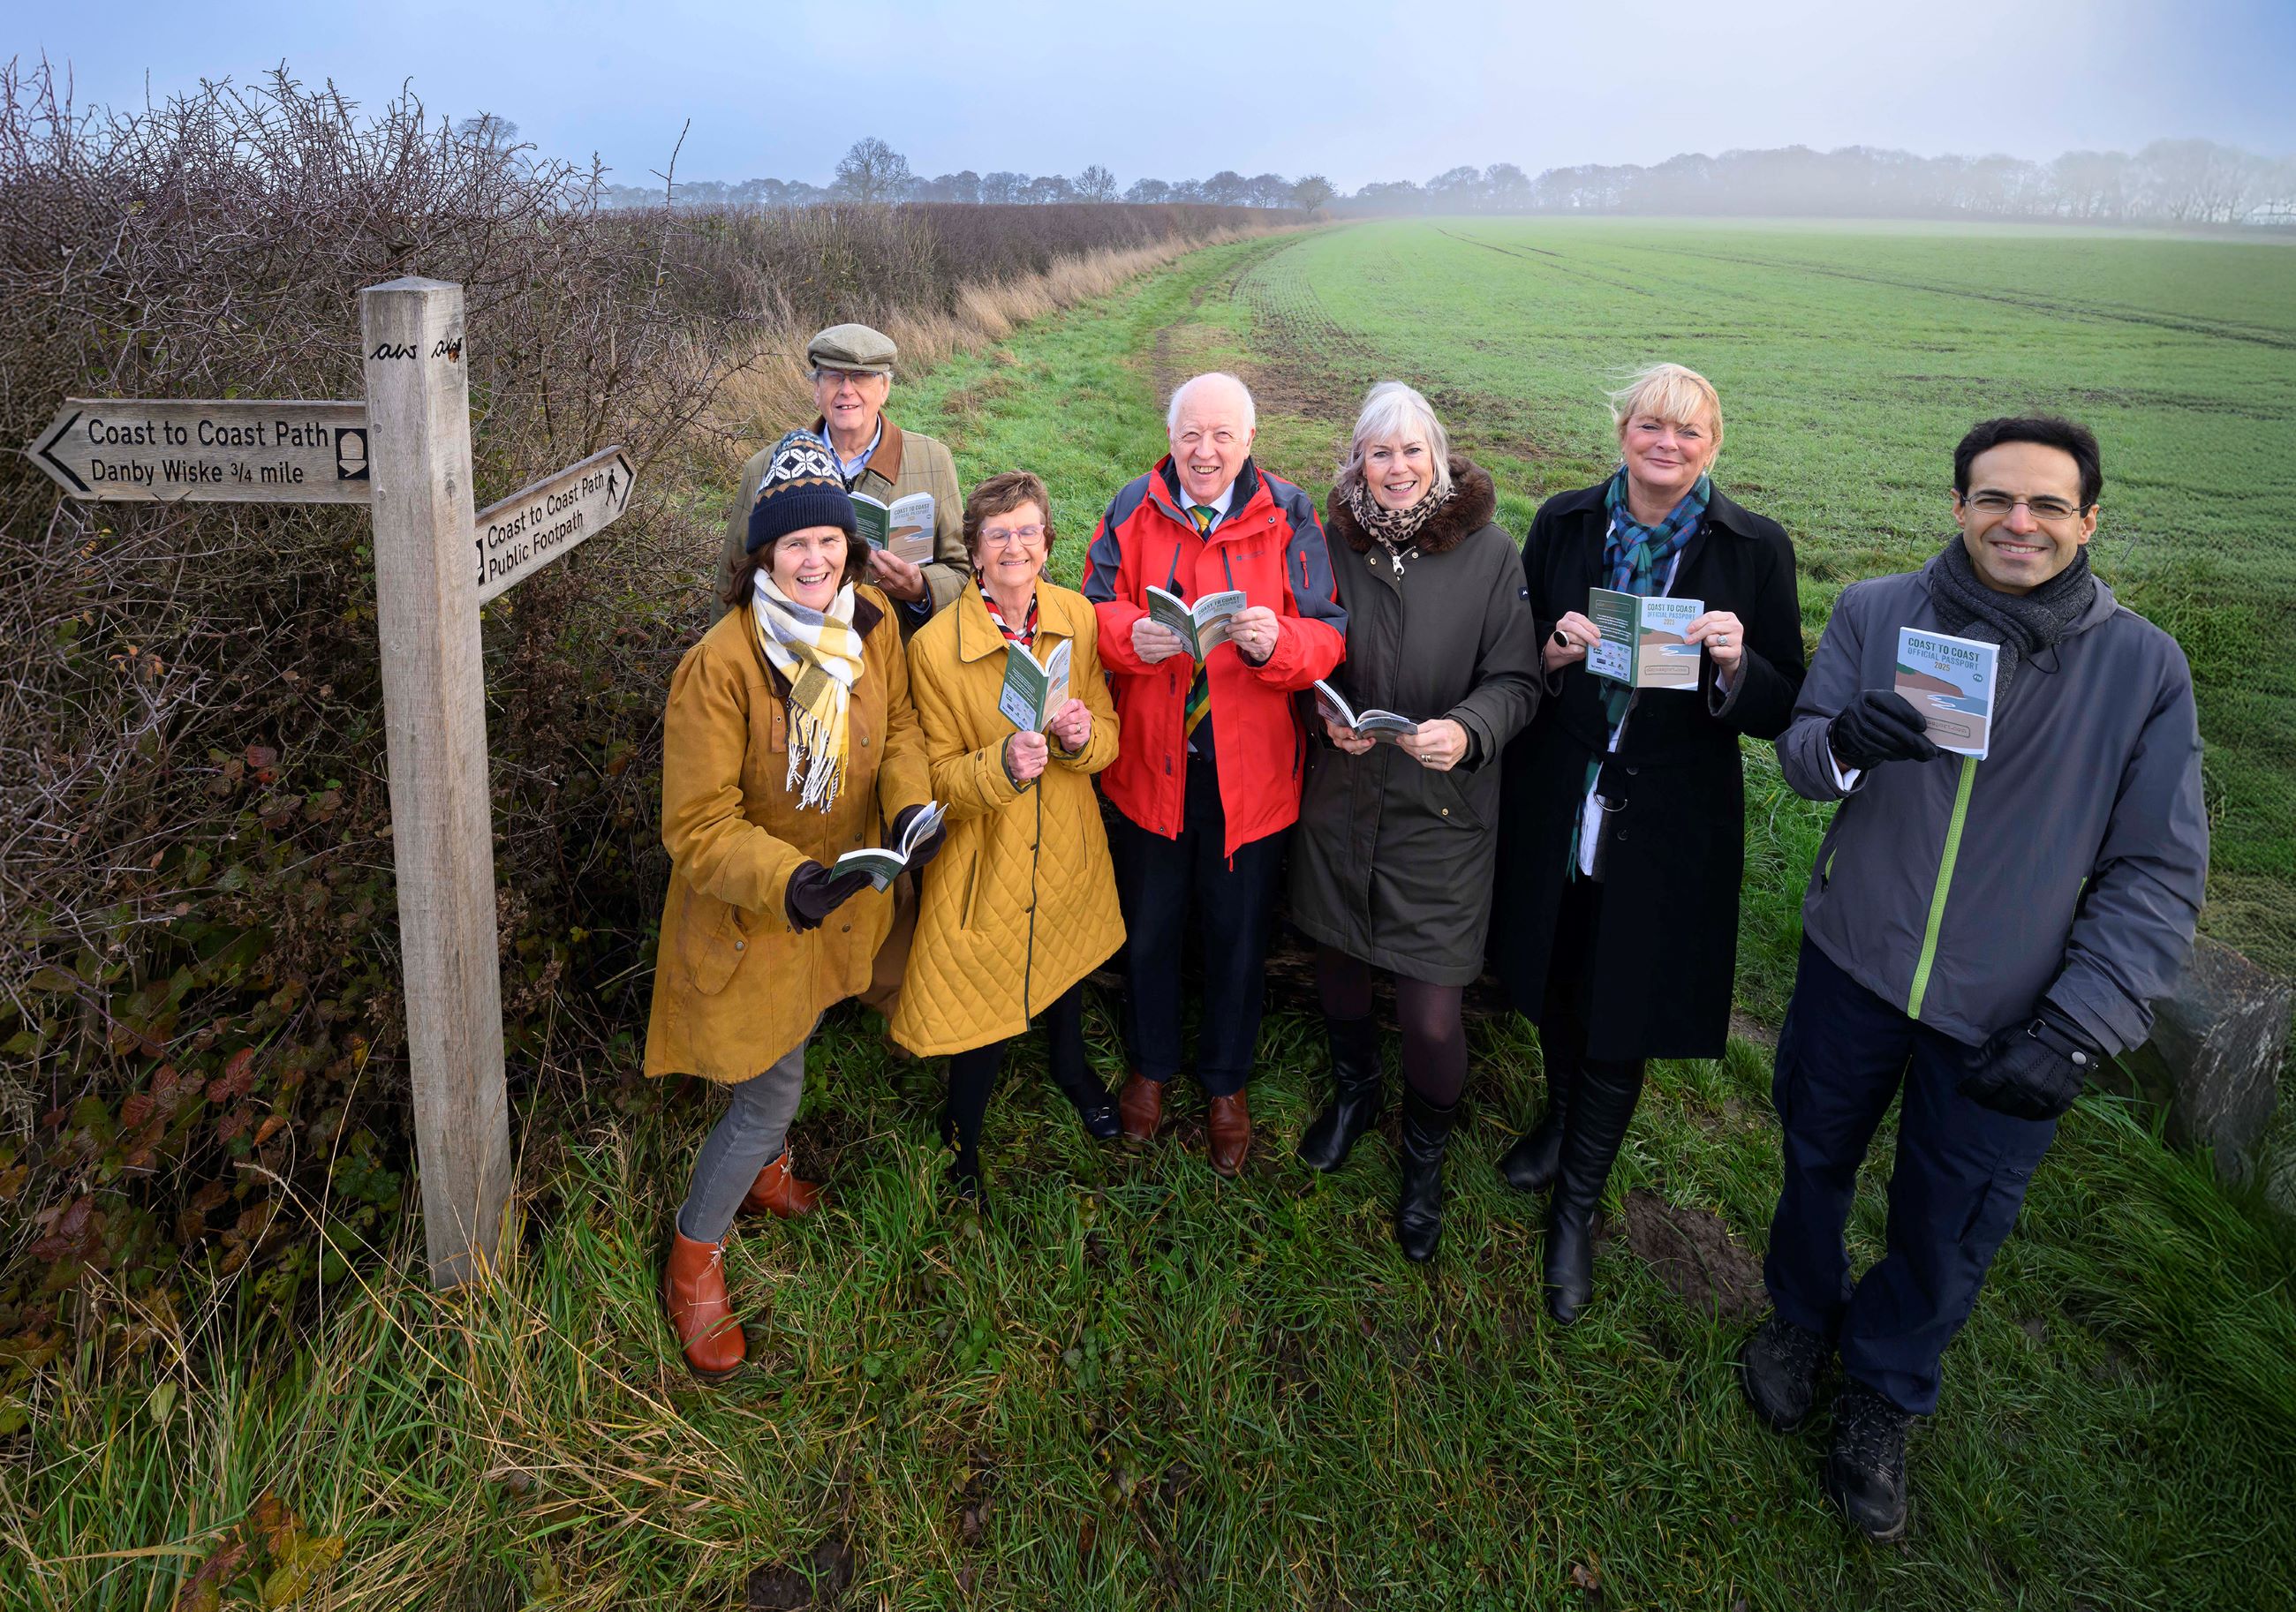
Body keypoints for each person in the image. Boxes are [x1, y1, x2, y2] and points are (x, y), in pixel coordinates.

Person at [1736, 416, 2206, 1540]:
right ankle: (1798, 1318)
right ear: (1956, 506)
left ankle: (1884, 1394)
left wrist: (2082, 1023)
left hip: (2007, 1006)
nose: (2017, 522)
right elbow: (1802, 760)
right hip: (1854, 958)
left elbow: (2155, 865)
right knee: (1811, 1152)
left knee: (1949, 1219)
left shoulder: (2140, 667)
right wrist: (1847, 736)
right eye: (1995, 498)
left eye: (2047, 505)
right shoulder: (1873, 609)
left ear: (2087, 522)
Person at [1487, 362, 1807, 1322]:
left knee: (1620, 999)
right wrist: (1550, 650)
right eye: (1649, 426)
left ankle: (1577, 1206)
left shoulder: (1752, 546)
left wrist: (1734, 661)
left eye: (1688, 433)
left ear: (1713, 446)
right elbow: (1522, 647)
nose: (1665, 446)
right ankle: (1553, 1120)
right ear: (1620, 427)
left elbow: (1783, 696)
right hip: (1561, 785)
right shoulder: (1563, 521)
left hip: (1666, 808)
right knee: (1555, 970)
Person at [647, 432, 942, 1382]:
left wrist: (903, 803)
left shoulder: (868, 625)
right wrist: (786, 883)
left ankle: (767, 1171)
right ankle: (695, 1254)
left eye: (828, 541)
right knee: (767, 1088)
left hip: (836, 901)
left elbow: (893, 725)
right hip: (754, 913)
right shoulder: (721, 664)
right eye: (793, 547)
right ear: (761, 558)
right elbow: (696, 824)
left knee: (802, 1027)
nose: (814, 561)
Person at [1287, 383, 1539, 1260]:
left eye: (1409, 451)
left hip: (1441, 811)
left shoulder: (1489, 552)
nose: (1393, 468)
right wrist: (1322, 717)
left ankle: (1424, 1152)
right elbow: (1301, 651)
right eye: (1376, 453)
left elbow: (1517, 681)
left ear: (1438, 456)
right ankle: (1354, 1092)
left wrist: (1465, 731)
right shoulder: (1325, 545)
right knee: (1341, 968)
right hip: (1342, 801)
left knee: (1432, 1014)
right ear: (1355, 462)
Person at [1082, 373, 1348, 1176]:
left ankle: (1226, 1085)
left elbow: (1329, 634)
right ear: (1170, 437)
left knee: (1238, 939)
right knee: (1151, 927)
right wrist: (1135, 638)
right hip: (1151, 766)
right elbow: (1091, 610)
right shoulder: (1132, 505)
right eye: (1191, 434)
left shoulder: (1291, 514)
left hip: (1251, 773)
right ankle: (1152, 1069)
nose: (1205, 451)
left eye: (1222, 436)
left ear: (1249, 439)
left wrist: (1279, 646)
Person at [717, 324, 970, 1029]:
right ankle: (802, 973)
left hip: (886, 675)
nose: (847, 391)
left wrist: (917, 585)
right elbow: (733, 575)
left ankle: (875, 975)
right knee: (799, 809)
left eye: (862, 380)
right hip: (791, 685)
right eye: (833, 377)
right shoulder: (768, 463)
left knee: (878, 803)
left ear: (887, 387)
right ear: (816, 384)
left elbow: (961, 573)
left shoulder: (929, 460)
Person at [892, 472, 1126, 1207]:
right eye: (998, 535)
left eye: (1028, 532)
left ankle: (1072, 1068)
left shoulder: (1076, 617)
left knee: (1064, 956)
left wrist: (1086, 739)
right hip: (983, 854)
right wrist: (999, 765)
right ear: (976, 552)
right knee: (978, 989)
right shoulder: (932, 649)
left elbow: (1110, 739)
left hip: (1063, 836)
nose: (1015, 547)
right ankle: (961, 1131)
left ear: (1048, 543)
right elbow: (931, 780)